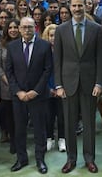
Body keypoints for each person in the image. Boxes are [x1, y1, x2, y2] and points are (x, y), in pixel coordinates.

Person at [54, 0, 102, 174]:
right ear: (69, 7)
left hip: (90, 84)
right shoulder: (60, 30)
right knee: (69, 124)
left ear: (85, 7)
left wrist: (99, 83)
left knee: (90, 123)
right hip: (68, 84)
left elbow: (100, 58)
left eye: (80, 6)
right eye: (74, 6)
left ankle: (89, 159)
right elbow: (57, 59)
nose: (77, 9)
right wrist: (58, 85)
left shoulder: (96, 29)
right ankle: (71, 158)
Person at [6, 17, 52, 174]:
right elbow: (9, 72)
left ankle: (40, 159)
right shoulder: (11, 47)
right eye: (24, 27)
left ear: (35, 28)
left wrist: (36, 91)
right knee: (19, 129)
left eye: (30, 27)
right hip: (19, 97)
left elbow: (47, 70)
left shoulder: (44, 46)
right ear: (19, 29)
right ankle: (21, 159)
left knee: (40, 129)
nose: (27, 30)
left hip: (38, 95)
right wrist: (18, 91)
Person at [0, 19, 20, 154]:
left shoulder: (23, 43)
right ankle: (12, 140)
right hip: (6, 86)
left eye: (16, 27)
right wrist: (7, 81)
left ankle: (19, 139)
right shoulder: (1, 44)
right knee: (9, 116)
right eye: (10, 28)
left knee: (20, 115)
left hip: (21, 85)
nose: (13, 30)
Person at [42, 24, 66, 152]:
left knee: (62, 117)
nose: (53, 38)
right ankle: (49, 138)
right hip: (47, 89)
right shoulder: (43, 52)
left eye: (56, 36)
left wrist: (60, 88)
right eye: (51, 36)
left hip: (62, 89)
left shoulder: (65, 51)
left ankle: (62, 139)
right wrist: (49, 89)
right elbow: (41, 72)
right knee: (48, 116)